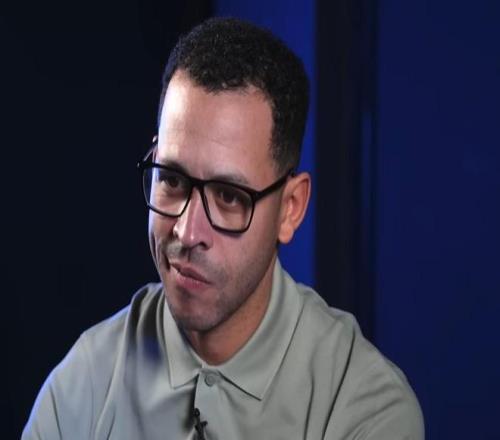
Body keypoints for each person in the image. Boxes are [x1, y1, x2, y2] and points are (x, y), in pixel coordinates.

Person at [23, 17, 424, 440]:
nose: (187, 232)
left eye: (229, 196)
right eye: (172, 179)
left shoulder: (365, 410)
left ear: (290, 209)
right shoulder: (83, 384)